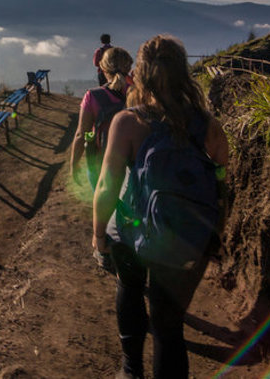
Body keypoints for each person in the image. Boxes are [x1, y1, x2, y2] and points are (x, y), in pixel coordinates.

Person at [93, 35, 229, 379]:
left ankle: (131, 370)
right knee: (169, 326)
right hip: (184, 239)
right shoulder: (209, 126)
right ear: (183, 73)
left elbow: (107, 186)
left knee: (130, 289)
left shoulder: (127, 122)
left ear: (139, 75)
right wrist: (213, 233)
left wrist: (99, 237)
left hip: (130, 230)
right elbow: (222, 184)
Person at [70, 47, 133, 190]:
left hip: (102, 163)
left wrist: (74, 165)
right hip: (133, 161)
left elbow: (81, 134)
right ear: (129, 67)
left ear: (103, 69)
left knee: (104, 206)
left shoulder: (93, 96)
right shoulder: (139, 93)